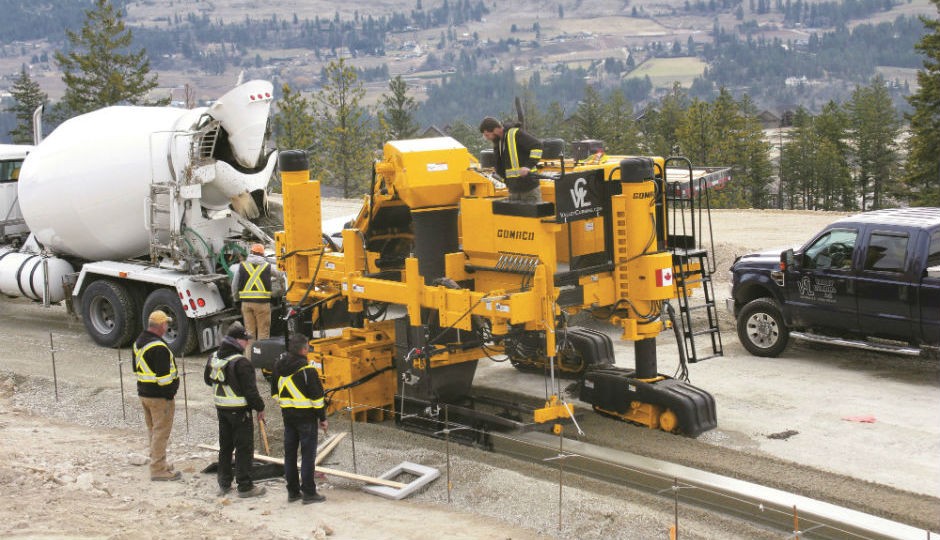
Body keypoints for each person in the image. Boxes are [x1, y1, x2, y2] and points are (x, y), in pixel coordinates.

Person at [204, 322, 267, 498]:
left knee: (225, 447)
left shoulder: (214, 357)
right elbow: (251, 391)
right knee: (243, 448)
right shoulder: (241, 363)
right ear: (236, 341)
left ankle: (224, 483)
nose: (247, 343)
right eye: (245, 340)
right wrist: (260, 408)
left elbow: (208, 381)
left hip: (222, 409)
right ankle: (245, 486)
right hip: (240, 412)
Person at [270, 333, 328, 504]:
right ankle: (309, 492)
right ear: (304, 349)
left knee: (290, 455)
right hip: (306, 419)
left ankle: (293, 492)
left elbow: (274, 393)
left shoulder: (278, 367)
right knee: (308, 456)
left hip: (288, 417)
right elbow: (317, 399)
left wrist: (288, 405)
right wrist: (322, 418)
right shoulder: (307, 370)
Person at [133, 309, 181, 481]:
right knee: (161, 433)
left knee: (153, 430)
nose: (167, 326)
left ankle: (158, 463)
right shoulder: (159, 347)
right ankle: (158, 469)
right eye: (166, 324)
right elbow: (164, 379)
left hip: (144, 393)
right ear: (161, 325)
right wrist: (170, 394)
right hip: (159, 397)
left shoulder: (139, 342)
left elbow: (136, 369)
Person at [479, 116, 544, 203]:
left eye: (487, 135)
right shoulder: (499, 142)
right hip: (514, 191)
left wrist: (528, 166)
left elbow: (537, 146)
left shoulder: (515, 134)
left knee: (533, 216)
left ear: (495, 130)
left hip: (529, 189)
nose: (487, 138)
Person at [231, 243, 278, 345]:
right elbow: (279, 275)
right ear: (262, 254)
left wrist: (236, 300)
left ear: (251, 253)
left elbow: (234, 286)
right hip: (262, 305)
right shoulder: (267, 266)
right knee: (263, 334)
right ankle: (261, 359)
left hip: (246, 304)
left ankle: (249, 359)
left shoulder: (242, 266)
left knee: (249, 334)